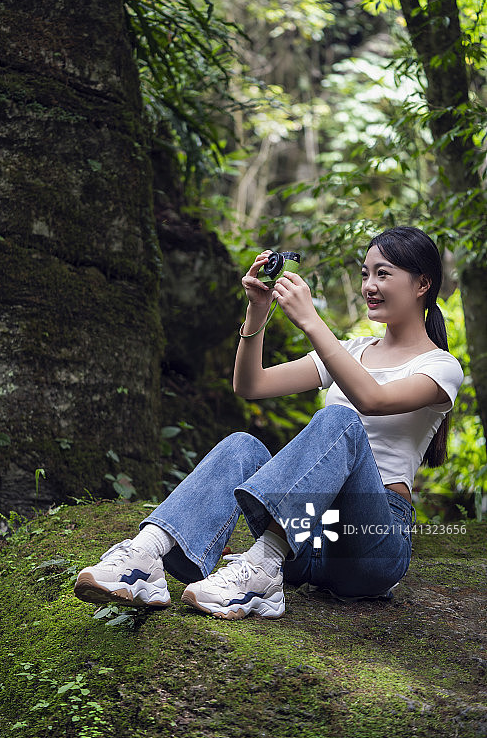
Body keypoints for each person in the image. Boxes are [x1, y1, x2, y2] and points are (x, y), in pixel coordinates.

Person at [74, 226, 463, 619]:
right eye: (365, 273)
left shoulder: (440, 367)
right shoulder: (354, 350)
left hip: (371, 545)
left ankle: (261, 566)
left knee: (341, 419)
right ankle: (146, 556)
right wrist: (257, 310)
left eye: (383, 273)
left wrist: (312, 321)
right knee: (243, 445)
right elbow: (250, 384)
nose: (369, 285)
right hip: (308, 536)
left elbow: (372, 399)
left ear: (422, 284)